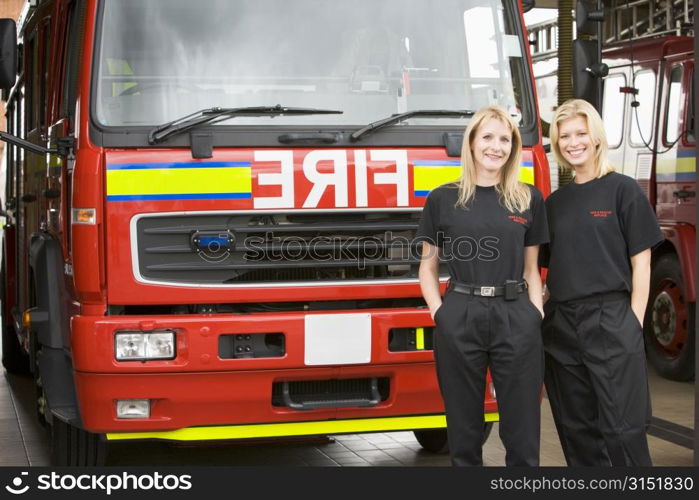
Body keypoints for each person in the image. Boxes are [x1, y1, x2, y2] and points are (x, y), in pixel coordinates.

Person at [416, 106, 548, 466]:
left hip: (516, 316)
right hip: (460, 314)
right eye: (487, 137)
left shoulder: (528, 198)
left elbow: (531, 269)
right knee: (464, 432)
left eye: (505, 139)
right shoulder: (443, 199)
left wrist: (534, 313)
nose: (496, 146)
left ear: (513, 147)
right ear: (471, 143)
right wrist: (439, 313)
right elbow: (427, 267)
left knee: (522, 434)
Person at [541, 99, 664, 466]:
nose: (573, 142)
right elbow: (548, 269)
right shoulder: (555, 203)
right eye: (565, 136)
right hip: (562, 323)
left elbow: (642, 264)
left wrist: (633, 321)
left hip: (611, 318)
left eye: (581, 133)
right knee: (576, 427)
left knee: (622, 428)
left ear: (596, 138)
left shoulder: (622, 190)